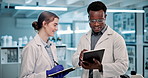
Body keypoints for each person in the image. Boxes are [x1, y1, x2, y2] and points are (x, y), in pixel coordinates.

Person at [72, 1, 129, 78]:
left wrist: (101, 67)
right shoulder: (84, 38)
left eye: (100, 20)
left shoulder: (116, 38)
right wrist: (79, 60)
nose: (96, 24)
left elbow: (123, 66)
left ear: (105, 17)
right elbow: (74, 60)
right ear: (89, 18)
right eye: (93, 21)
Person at [20, 11, 68, 78]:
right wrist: (46, 74)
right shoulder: (31, 47)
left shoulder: (52, 46)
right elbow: (25, 77)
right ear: (45, 24)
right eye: (55, 25)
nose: (56, 29)